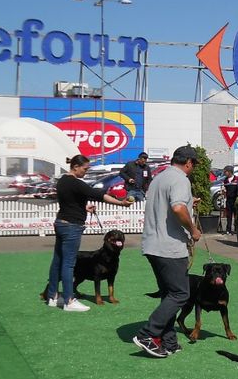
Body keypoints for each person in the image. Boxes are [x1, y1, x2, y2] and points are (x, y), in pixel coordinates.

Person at [133, 146, 202, 358]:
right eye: (194, 165)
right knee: (181, 294)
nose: (193, 169)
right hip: (169, 246)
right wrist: (193, 229)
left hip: (153, 244)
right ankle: (148, 333)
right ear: (189, 162)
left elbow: (172, 204)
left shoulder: (159, 178)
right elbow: (178, 208)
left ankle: (168, 341)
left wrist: (190, 203)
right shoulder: (181, 179)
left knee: (169, 294)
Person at [45, 154, 132, 312]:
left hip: (60, 223)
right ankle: (69, 300)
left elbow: (68, 201)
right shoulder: (77, 183)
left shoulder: (62, 181)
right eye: (85, 169)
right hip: (72, 226)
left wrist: (84, 208)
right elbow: (99, 195)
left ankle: (52, 297)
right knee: (69, 264)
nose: (86, 172)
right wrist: (121, 203)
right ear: (76, 167)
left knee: (57, 260)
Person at [222, 165, 238, 235]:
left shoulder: (237, 179)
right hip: (228, 200)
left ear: (229, 172)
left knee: (236, 215)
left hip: (235, 199)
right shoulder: (225, 180)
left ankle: (236, 229)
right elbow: (224, 189)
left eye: (225, 171)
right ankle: (228, 229)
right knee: (229, 215)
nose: (224, 173)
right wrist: (223, 191)